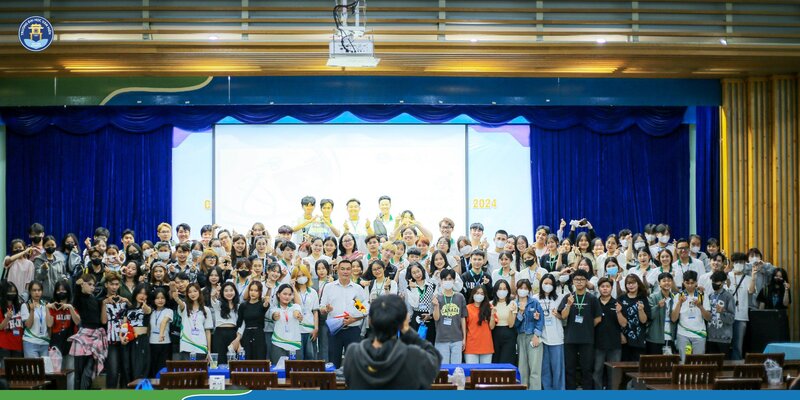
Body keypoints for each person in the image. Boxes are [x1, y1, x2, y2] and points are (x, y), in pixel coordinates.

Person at [343, 294, 441, 389]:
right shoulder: (412, 355)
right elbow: (435, 360)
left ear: (370, 321)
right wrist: (408, 331)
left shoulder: (353, 353)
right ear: (403, 322)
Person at [320, 259, 369, 368]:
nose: (345, 271)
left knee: (353, 363)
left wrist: (353, 319)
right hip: (334, 330)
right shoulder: (329, 287)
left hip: (353, 330)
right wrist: (326, 309)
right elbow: (321, 308)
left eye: (348, 269)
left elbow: (364, 310)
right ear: (337, 270)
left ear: (351, 271)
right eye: (342, 269)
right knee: (333, 362)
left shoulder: (357, 289)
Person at [559, 269, 602, 390]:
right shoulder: (567, 297)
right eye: (576, 279)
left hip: (587, 339)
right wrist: (568, 305)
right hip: (570, 339)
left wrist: (587, 326)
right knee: (570, 368)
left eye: (582, 279)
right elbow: (563, 316)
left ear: (586, 281)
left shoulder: (592, 298)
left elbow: (598, 318)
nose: (579, 282)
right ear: (573, 281)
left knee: (587, 368)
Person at [70, 274, 107, 390]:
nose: (92, 287)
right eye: (89, 284)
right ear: (83, 284)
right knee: (79, 372)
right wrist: (77, 286)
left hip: (95, 336)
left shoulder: (94, 299)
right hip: (83, 336)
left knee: (88, 370)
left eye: (93, 285)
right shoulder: (79, 298)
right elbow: (76, 298)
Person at [671, 270, 711, 361]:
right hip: (683, 334)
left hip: (699, 334)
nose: (690, 285)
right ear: (683, 282)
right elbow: (673, 319)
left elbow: (708, 318)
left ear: (696, 282)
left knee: (698, 363)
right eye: (687, 283)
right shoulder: (678, 296)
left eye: (692, 283)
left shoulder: (703, 295)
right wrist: (679, 303)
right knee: (683, 362)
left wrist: (700, 306)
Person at [593, 278, 623, 390]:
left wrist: (619, 312)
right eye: (602, 286)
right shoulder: (594, 303)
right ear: (598, 288)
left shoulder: (617, 303)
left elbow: (624, 324)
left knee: (614, 373)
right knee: (597, 371)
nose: (605, 289)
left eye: (607, 286)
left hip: (614, 344)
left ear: (611, 288)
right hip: (597, 344)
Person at [432, 269, 467, 364]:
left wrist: (464, 338)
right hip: (441, 338)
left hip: (457, 338)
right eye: (445, 279)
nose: (447, 281)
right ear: (441, 281)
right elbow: (436, 318)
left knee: (456, 368)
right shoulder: (437, 297)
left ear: (454, 280)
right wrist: (436, 306)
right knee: (443, 368)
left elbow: (463, 318)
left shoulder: (460, 297)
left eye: (450, 279)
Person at [515, 279, 544, 390]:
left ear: (529, 290)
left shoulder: (534, 302)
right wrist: (520, 312)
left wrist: (536, 335)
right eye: (521, 288)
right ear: (517, 289)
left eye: (525, 288)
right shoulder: (514, 303)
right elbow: (514, 324)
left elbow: (540, 320)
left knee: (535, 368)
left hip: (533, 336)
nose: (523, 290)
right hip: (521, 336)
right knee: (522, 368)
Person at [538, 274, 565, 390]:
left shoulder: (560, 298)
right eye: (545, 283)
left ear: (554, 285)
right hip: (542, 338)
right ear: (541, 284)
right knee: (544, 368)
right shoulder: (535, 298)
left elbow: (564, 316)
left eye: (550, 283)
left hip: (556, 337)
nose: (547, 286)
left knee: (557, 368)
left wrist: (558, 315)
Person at [727, 252, 754, 360]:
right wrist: (725, 273)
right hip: (726, 315)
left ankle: (736, 367)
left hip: (741, 316)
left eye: (741, 262)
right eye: (736, 262)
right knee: (725, 344)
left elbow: (751, 291)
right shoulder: (727, 276)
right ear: (732, 263)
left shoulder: (748, 278)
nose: (739, 264)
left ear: (745, 263)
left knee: (738, 346)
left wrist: (754, 276)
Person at [617, 274, 650, 361]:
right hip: (624, 340)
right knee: (624, 365)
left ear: (638, 284)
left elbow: (644, 321)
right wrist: (620, 334)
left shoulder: (643, 299)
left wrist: (641, 310)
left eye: (633, 283)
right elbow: (616, 320)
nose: (631, 285)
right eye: (628, 283)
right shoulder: (621, 298)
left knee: (638, 366)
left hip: (639, 340)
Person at [706, 271, 736, 357]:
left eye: (716, 282)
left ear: (723, 283)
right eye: (713, 281)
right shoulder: (710, 296)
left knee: (724, 363)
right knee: (711, 362)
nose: (714, 283)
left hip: (724, 338)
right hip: (710, 336)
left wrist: (722, 312)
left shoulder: (728, 297)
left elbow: (731, 319)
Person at [645, 272, 676, 355]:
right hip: (655, 337)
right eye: (664, 281)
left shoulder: (675, 297)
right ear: (659, 283)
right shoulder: (653, 297)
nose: (667, 283)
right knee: (654, 361)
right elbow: (649, 316)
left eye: (669, 280)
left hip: (671, 336)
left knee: (669, 362)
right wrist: (658, 306)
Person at [464, 286, 494, 363]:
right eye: (477, 293)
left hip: (486, 346)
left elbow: (492, 327)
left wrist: (492, 314)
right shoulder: (467, 308)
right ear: (473, 294)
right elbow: (464, 327)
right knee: (471, 370)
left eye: (482, 294)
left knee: (486, 370)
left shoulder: (490, 307)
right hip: (471, 346)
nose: (479, 295)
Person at [491, 279, 517, 364]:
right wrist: (492, 314)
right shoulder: (491, 304)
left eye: (504, 289)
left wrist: (510, 311)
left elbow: (511, 324)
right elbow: (491, 326)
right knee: (495, 362)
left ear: (508, 291)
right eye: (499, 289)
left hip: (509, 334)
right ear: (495, 290)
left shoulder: (512, 303)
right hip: (495, 334)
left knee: (506, 362)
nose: (502, 291)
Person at [149, 288, 173, 377]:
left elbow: (164, 322)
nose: (160, 300)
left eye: (162, 298)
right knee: (153, 368)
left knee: (163, 369)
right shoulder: (151, 312)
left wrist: (161, 334)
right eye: (157, 298)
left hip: (165, 343)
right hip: (152, 343)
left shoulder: (169, 311)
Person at [0, 281, 23, 368]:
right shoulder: (1, 307)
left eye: (14, 291)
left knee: (17, 373)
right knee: (5, 372)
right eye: (9, 291)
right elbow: (0, 327)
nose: (12, 294)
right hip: (4, 345)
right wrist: (7, 318)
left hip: (18, 344)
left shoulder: (20, 306)